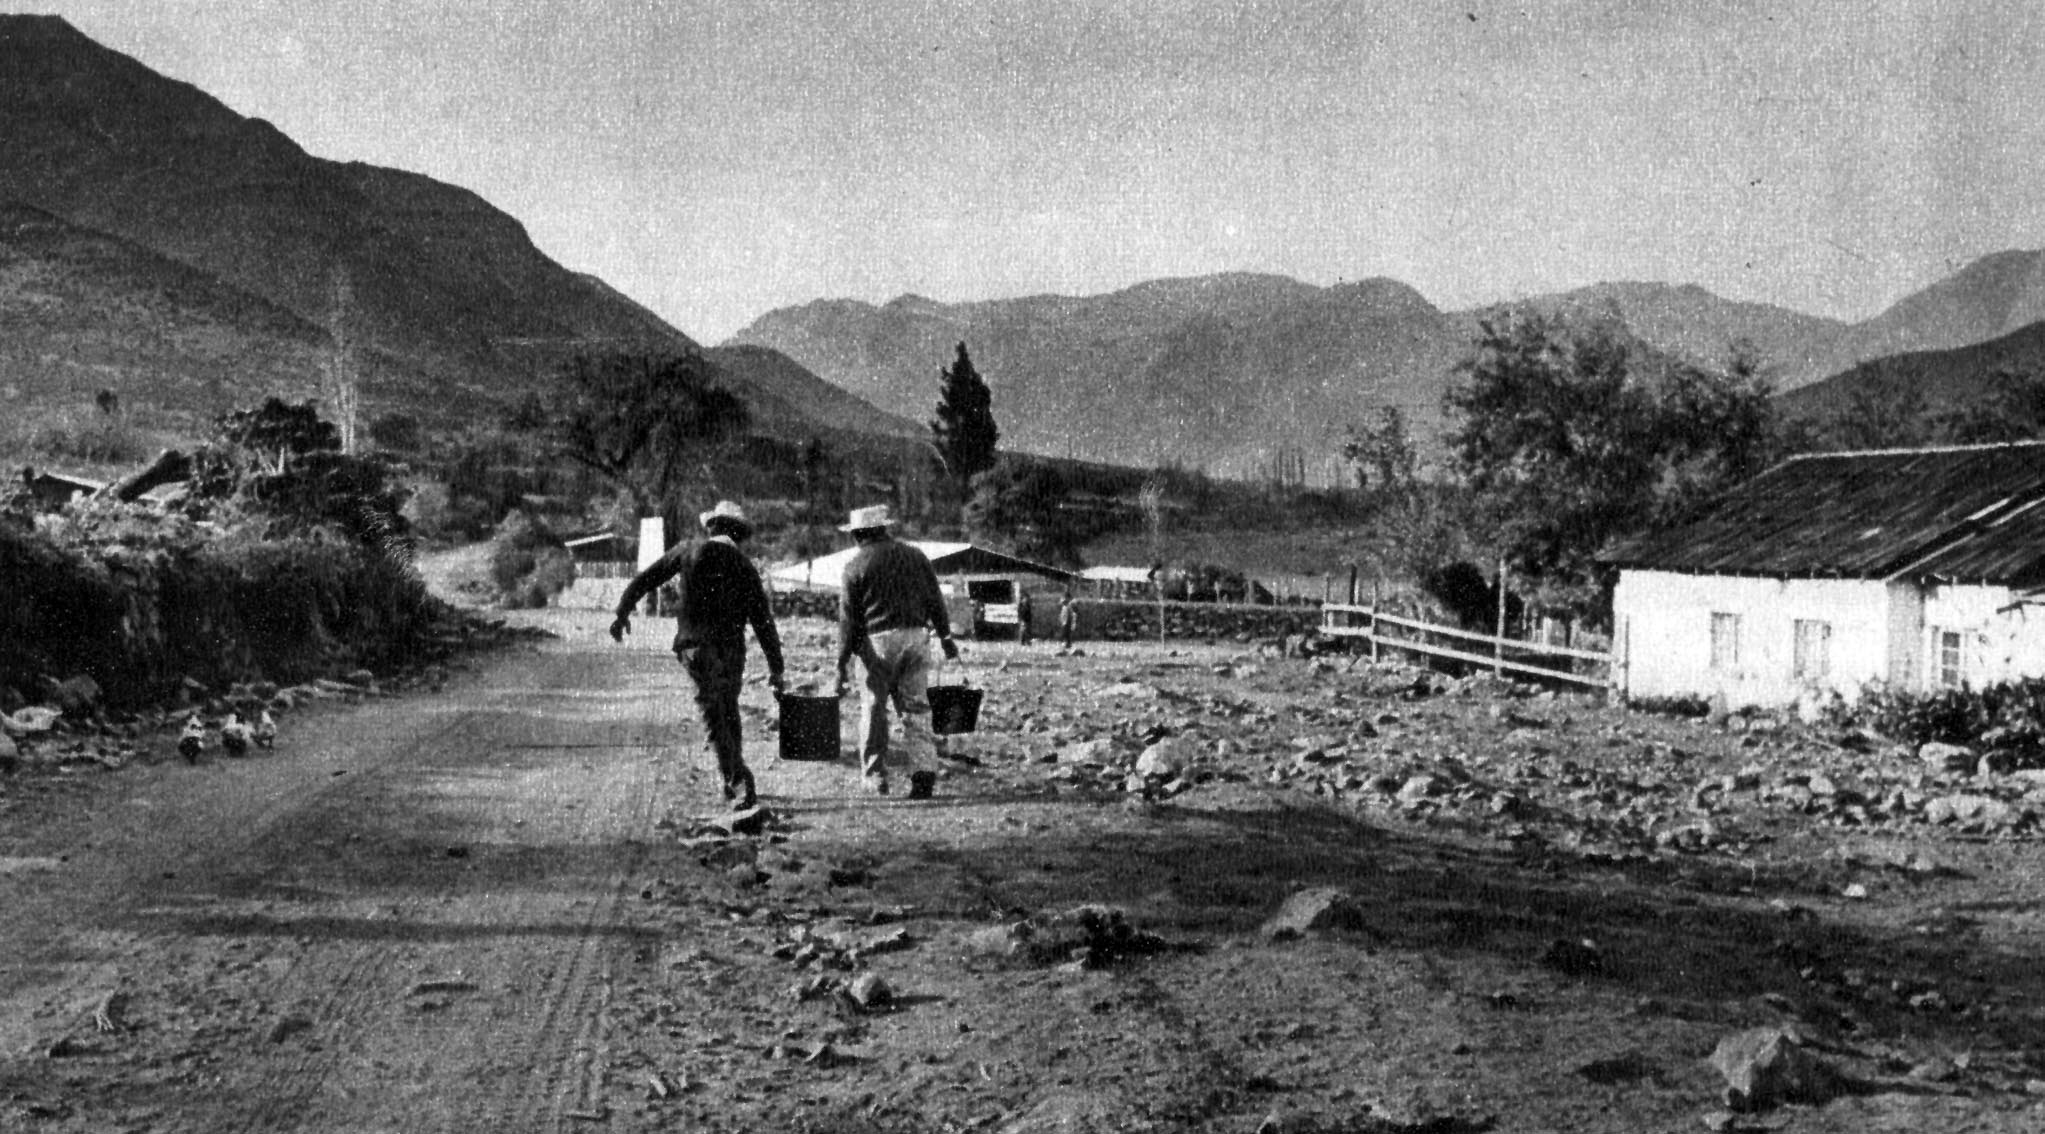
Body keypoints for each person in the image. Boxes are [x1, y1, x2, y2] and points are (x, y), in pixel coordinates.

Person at [611, 500, 785, 810]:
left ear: (712, 526)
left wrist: (623, 611)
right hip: (732, 651)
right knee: (727, 708)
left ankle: (737, 781)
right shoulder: (745, 567)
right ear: (738, 534)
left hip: (695, 647)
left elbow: (646, 579)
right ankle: (736, 778)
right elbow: (764, 622)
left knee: (713, 710)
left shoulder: (689, 550)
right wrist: (776, 668)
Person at [832, 504, 958, 799]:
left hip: (878, 643)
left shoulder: (854, 567)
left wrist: (841, 664)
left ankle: (875, 775)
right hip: (916, 637)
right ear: (884, 529)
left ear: (859, 534)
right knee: (916, 707)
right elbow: (935, 600)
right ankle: (923, 773)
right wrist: (946, 637)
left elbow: (848, 622)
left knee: (875, 707)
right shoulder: (916, 556)